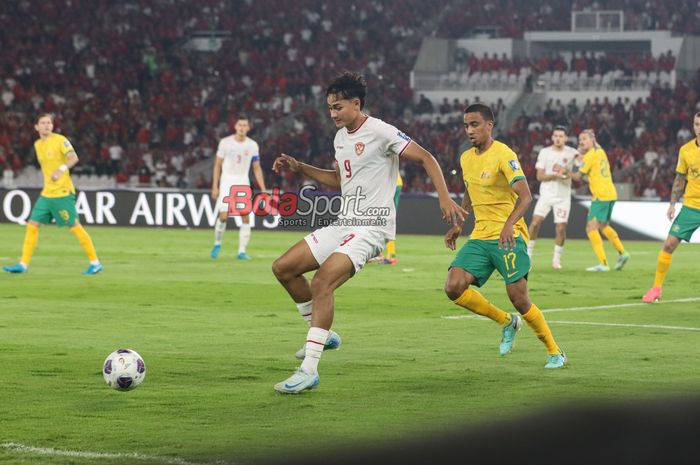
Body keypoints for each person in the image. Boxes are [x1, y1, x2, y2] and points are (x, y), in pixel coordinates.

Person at [270, 72, 465, 394]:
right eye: (330, 108)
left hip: (372, 227)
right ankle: (322, 332)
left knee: (322, 282)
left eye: (338, 107)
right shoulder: (340, 138)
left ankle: (309, 369)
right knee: (283, 268)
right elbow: (338, 180)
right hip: (345, 222)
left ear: (356, 104)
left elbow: (427, 158)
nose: (332, 114)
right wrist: (300, 167)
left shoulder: (381, 131)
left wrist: (445, 197)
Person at [443, 103, 566, 369]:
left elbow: (525, 196)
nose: (469, 130)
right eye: (466, 125)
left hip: (507, 237)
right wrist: (460, 223)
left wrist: (510, 224)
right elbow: (469, 190)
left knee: (519, 299)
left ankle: (554, 351)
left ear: (489, 125)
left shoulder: (504, 155)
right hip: (480, 236)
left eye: (475, 124)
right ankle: (507, 322)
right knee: (453, 286)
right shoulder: (466, 158)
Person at [3, 113, 102, 275]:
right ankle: (23, 265)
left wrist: (60, 170)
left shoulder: (60, 140)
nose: (46, 125)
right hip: (47, 193)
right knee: (32, 225)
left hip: (62, 193)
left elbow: (73, 157)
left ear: (52, 126)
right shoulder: (37, 145)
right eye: (42, 123)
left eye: (49, 123)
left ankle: (95, 262)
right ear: (36, 127)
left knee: (74, 226)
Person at [642, 112, 700, 303]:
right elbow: (679, 178)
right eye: (697, 124)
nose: (699, 128)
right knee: (668, 245)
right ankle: (656, 288)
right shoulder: (686, 150)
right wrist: (673, 204)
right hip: (691, 206)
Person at [569, 129, 630, 271]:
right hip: (611, 193)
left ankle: (603, 264)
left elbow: (578, 177)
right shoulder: (600, 152)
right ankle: (623, 253)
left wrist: (565, 172)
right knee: (603, 226)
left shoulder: (590, 156)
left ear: (592, 140)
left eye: (585, 139)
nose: (581, 142)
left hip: (600, 195)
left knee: (591, 228)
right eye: (580, 139)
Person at [210, 116, 267, 260]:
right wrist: (215, 186)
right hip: (227, 181)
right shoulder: (225, 143)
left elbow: (256, 167)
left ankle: (241, 251)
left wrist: (263, 188)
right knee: (223, 217)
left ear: (248, 128)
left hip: (242, 181)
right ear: (235, 126)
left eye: (245, 125)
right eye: (240, 125)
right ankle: (217, 243)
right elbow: (217, 165)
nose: (242, 127)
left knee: (245, 216)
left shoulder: (252, 145)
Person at [526, 125, 578, 269]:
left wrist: (568, 173)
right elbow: (539, 175)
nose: (558, 138)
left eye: (561, 136)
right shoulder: (545, 152)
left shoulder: (573, 153)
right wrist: (555, 175)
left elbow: (581, 172)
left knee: (561, 228)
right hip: (546, 195)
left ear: (566, 138)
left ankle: (556, 260)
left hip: (563, 196)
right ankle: (528, 256)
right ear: (552, 137)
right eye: (556, 136)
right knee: (535, 223)